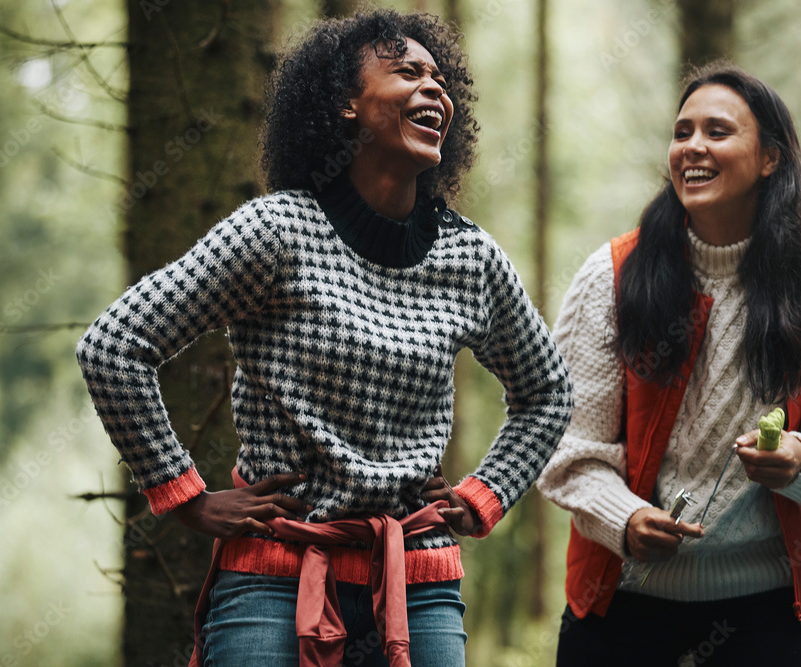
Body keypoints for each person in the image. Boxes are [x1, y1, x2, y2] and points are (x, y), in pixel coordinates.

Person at [76, 9, 572, 667]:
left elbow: (548, 392)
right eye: (406, 72)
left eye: (439, 78)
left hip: (416, 587)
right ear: (345, 105)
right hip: (274, 580)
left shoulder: (470, 257)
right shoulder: (274, 232)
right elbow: (114, 344)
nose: (434, 90)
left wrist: (483, 494)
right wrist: (185, 494)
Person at [538, 63, 801, 666]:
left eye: (717, 131)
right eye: (682, 132)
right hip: (620, 612)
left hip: (767, 621)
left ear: (770, 159)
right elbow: (562, 447)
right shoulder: (611, 276)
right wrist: (624, 518)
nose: (693, 148)